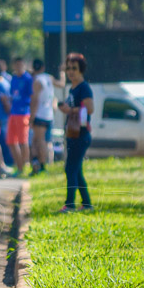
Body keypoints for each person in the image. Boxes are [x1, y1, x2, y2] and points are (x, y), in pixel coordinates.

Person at [57, 53, 94, 212]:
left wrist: (69, 109)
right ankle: (86, 203)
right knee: (76, 170)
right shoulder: (73, 88)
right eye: (69, 68)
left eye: (74, 69)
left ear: (81, 70)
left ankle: (70, 204)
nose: (71, 72)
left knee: (70, 169)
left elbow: (90, 108)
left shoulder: (84, 87)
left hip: (81, 134)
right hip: (72, 133)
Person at [29, 58, 58, 174]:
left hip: (40, 114)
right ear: (43, 67)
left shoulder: (37, 81)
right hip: (49, 114)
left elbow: (35, 100)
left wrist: (32, 117)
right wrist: (62, 73)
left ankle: (41, 165)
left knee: (38, 141)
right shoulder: (49, 78)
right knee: (42, 141)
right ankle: (40, 164)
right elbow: (61, 83)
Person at [7, 56, 33, 176]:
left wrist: (32, 114)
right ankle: (19, 166)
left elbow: (32, 97)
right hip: (13, 112)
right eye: (16, 65)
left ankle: (25, 166)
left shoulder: (28, 79)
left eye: (20, 65)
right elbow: (13, 94)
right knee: (11, 141)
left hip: (23, 113)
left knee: (23, 141)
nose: (18, 67)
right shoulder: (13, 78)